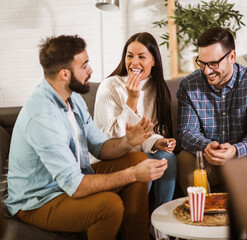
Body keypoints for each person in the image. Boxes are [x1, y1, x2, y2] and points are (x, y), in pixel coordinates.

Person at [5, 35, 168, 240]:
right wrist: (133, 174)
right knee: (109, 205)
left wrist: (129, 141)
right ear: (65, 74)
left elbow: (100, 147)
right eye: (84, 65)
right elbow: (76, 185)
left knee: (138, 158)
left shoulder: (73, 98)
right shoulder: (43, 116)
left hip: (70, 182)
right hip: (39, 200)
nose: (90, 70)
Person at [93, 32, 176, 237]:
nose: (134, 62)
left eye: (141, 56)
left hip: (140, 151)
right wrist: (131, 100)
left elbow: (151, 131)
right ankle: (136, 225)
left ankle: (160, 227)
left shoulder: (157, 88)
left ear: (154, 61)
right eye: (129, 56)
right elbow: (112, 138)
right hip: (111, 155)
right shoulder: (110, 86)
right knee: (142, 160)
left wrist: (159, 142)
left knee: (168, 158)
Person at [176, 27, 247, 194]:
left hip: (242, 160)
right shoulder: (189, 85)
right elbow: (186, 132)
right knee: (184, 159)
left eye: (213, 63)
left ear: (232, 57)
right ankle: (203, 215)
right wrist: (207, 146)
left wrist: (236, 150)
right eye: (202, 63)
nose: (207, 71)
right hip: (207, 161)